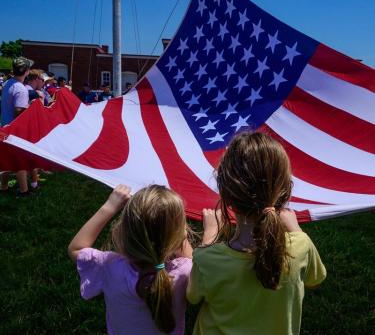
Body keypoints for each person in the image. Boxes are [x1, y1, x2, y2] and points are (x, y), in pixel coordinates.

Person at [187, 132, 326, 335]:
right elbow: (316, 278)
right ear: (284, 190)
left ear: (226, 194)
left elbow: (192, 296)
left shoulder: (208, 258)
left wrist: (209, 237)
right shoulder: (301, 245)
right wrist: (296, 229)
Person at [69, 184, 204, 335]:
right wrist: (181, 235)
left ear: (124, 230)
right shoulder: (184, 272)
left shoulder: (110, 266)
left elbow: (75, 249)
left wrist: (109, 206)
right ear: (179, 235)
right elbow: (196, 262)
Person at [0, 57, 33, 196]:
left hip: (4, 127)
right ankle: (24, 191)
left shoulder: (8, 83)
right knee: (20, 161)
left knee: (5, 159)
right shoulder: (21, 89)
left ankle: (4, 186)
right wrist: (32, 107)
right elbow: (19, 112)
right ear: (26, 71)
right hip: (14, 130)